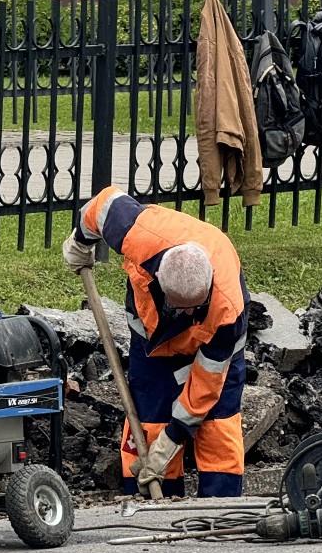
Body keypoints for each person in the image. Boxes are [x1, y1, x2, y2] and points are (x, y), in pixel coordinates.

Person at [62, 186, 248, 497]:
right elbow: (103, 204)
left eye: (195, 306)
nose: (188, 312)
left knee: (217, 426)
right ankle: (151, 505)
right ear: (160, 277)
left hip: (211, 348)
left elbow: (206, 385)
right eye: (180, 306)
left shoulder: (228, 309)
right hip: (154, 345)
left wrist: (173, 439)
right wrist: (81, 241)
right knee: (149, 423)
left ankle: (219, 511)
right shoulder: (141, 233)